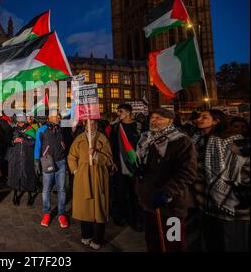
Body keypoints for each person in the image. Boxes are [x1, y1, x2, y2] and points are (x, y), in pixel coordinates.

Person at [136, 108, 197, 252]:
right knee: (153, 240)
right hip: (149, 201)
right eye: (152, 117)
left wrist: (167, 192)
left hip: (171, 205)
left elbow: (188, 172)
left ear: (170, 121)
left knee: (172, 242)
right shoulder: (146, 138)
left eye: (159, 118)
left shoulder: (181, 140)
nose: (154, 120)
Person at [192, 110, 248, 251]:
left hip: (231, 206)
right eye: (199, 117)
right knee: (212, 243)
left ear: (216, 121)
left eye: (204, 117)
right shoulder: (200, 141)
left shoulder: (234, 141)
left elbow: (245, 171)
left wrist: (231, 187)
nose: (199, 119)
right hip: (207, 205)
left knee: (232, 244)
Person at [68, 119, 114, 249]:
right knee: (85, 207)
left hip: (98, 177)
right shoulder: (79, 139)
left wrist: (96, 155)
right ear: (85, 125)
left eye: (94, 124)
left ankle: (98, 239)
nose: (91, 126)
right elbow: (71, 156)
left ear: (97, 125)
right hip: (82, 177)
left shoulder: (102, 138)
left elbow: (109, 159)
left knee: (99, 207)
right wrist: (76, 170)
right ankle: (86, 235)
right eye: (89, 124)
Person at [108, 103, 144, 231]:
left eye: (121, 112)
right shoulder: (116, 127)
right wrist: (113, 161)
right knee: (120, 192)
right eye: (118, 112)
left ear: (129, 112)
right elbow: (112, 145)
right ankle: (120, 216)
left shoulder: (139, 127)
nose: (119, 114)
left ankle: (137, 219)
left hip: (135, 165)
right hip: (120, 164)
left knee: (136, 193)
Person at [35, 111, 69, 228]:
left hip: (61, 162)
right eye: (57, 115)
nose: (59, 117)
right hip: (47, 162)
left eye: (60, 115)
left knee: (62, 189)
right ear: (49, 117)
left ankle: (61, 214)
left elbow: (67, 142)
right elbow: (37, 146)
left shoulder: (62, 128)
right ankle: (46, 213)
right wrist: (36, 161)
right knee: (46, 190)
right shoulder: (42, 129)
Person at [7, 115, 37, 206]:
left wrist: (23, 140)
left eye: (22, 122)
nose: (20, 123)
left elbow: (34, 142)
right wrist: (14, 141)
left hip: (27, 157)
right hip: (15, 157)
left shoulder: (30, 129)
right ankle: (15, 195)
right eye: (19, 122)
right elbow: (9, 142)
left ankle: (29, 195)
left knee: (28, 175)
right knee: (15, 175)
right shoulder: (13, 130)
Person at [0, 115, 14, 184]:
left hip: (0, 146)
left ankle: (5, 177)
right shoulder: (8, 123)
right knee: (6, 162)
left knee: (2, 163)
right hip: (6, 146)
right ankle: (7, 176)